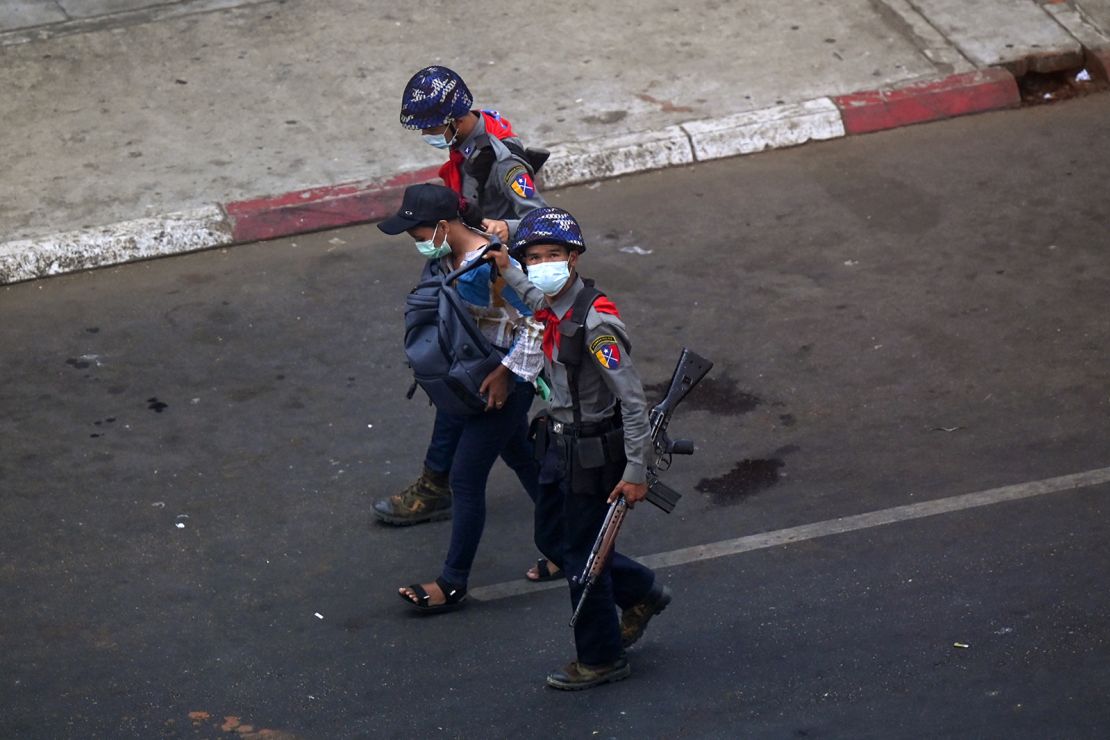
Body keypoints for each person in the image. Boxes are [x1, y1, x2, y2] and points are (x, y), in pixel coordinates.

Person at [373, 65, 560, 584]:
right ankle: (566, 533)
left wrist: (505, 229)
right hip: (468, 265)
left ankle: (447, 536)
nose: (431, 137)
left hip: (495, 282)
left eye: (434, 127)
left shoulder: (502, 160)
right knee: (507, 439)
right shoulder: (466, 146)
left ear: (455, 119)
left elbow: (544, 220)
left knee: (462, 388)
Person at [486, 207, 673, 690]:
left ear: (573, 258)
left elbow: (632, 402)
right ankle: (640, 591)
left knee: (583, 563)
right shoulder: (552, 302)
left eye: (553, 254)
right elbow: (532, 299)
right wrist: (507, 267)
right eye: (534, 256)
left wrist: (635, 470)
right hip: (558, 443)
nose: (543, 263)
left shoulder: (596, 323)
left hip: (594, 452)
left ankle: (601, 656)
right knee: (554, 541)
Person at [377, 183, 545, 612]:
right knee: (523, 460)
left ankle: (453, 582)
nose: (417, 246)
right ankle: (570, 543)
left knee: (466, 480)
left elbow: (539, 323)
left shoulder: (490, 266)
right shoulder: (451, 259)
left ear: (441, 226)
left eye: (418, 236)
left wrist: (507, 375)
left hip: (504, 386)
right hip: (481, 382)